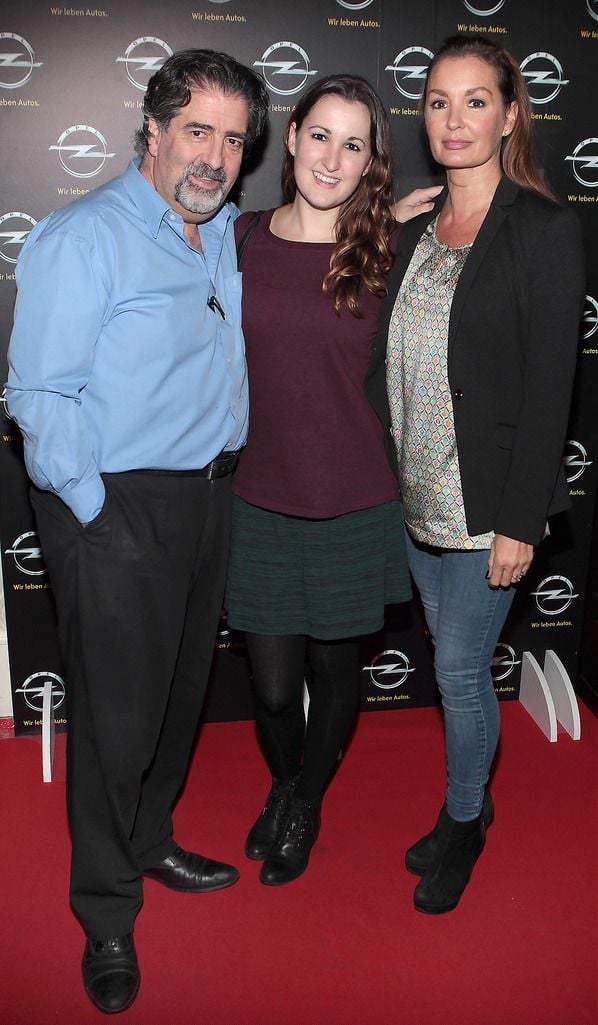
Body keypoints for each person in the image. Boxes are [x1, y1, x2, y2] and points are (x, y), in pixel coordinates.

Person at [5, 49, 268, 1013]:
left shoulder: (223, 232)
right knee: (116, 722)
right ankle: (105, 911)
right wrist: (95, 512)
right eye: (196, 130)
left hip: (206, 500)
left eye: (235, 138)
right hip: (113, 502)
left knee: (177, 695)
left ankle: (151, 838)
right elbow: (39, 393)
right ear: (151, 131)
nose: (215, 156)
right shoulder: (84, 236)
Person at [366, 34, 585, 914]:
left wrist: (522, 520)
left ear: (509, 115)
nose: (453, 120)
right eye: (437, 101)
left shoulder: (544, 227)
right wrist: (383, 232)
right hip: (413, 497)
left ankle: (465, 819)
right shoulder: (415, 228)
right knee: (448, 666)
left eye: (475, 101)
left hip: (489, 505)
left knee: (458, 671)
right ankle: (471, 795)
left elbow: (550, 386)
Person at [225, 74, 437, 887]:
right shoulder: (237, 239)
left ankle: (303, 801)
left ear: (369, 163)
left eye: (354, 144)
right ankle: (287, 780)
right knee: (274, 691)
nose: (332, 156)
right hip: (258, 497)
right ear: (289, 138)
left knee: (334, 676)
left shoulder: (389, 248)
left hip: (355, 499)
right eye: (321, 135)